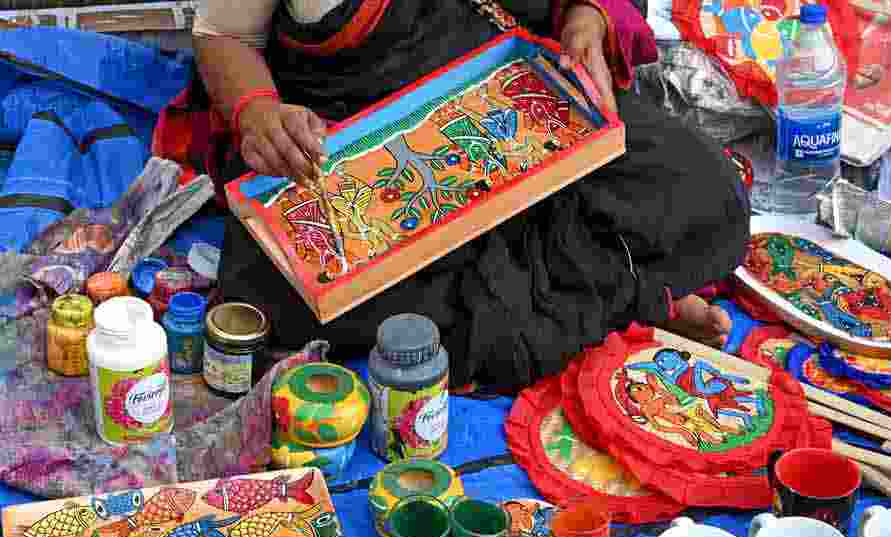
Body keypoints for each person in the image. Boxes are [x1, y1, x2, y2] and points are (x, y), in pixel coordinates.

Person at [176, 0, 751, 389]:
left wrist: (587, 19)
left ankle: (578, 307)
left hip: (518, 120)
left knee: (707, 190)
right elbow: (223, 34)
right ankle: (633, 301)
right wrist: (259, 114)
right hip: (362, 154)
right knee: (277, 295)